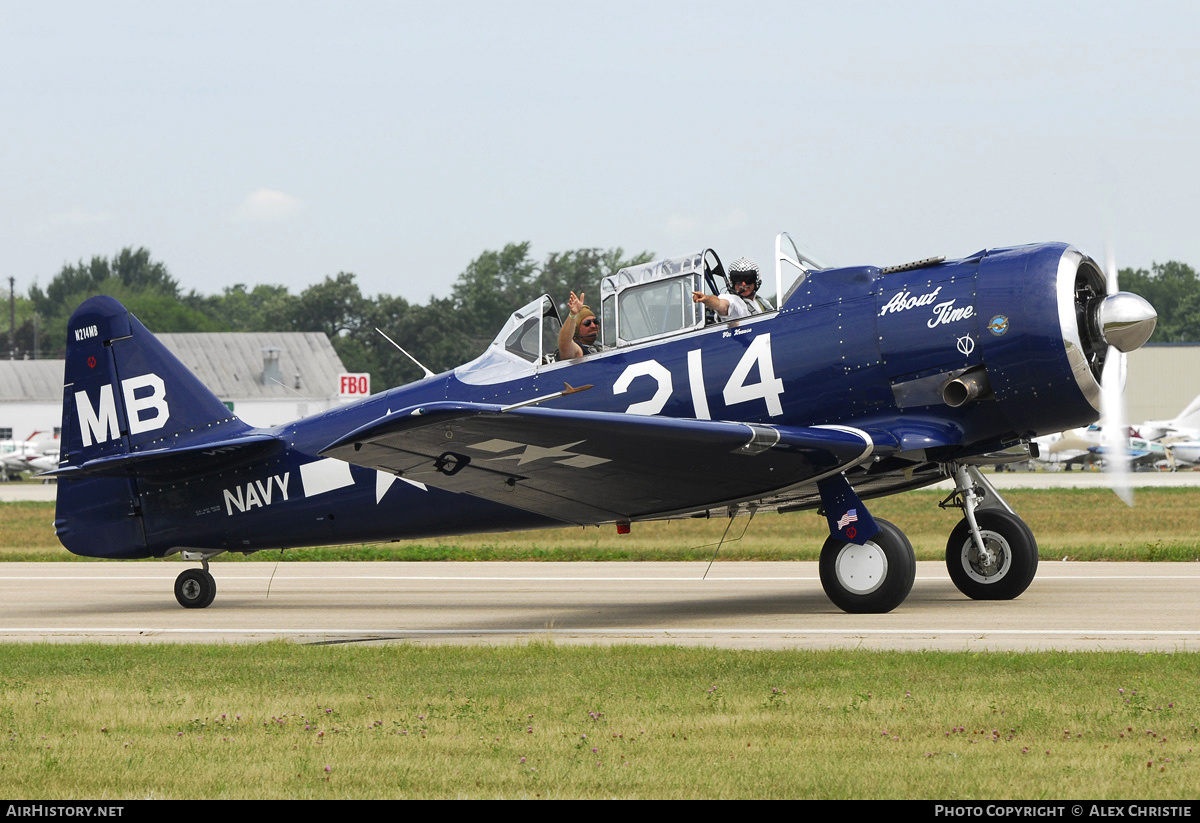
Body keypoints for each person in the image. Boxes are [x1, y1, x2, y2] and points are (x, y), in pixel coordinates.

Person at [691, 257, 772, 321]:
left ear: (756, 281)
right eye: (737, 279)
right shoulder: (735, 302)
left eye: (748, 278)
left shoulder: (763, 302)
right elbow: (720, 304)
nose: (743, 284)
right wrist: (706, 299)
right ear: (732, 282)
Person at [556, 290, 605, 360]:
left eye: (595, 321)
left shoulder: (600, 348)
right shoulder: (578, 350)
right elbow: (564, 344)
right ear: (576, 329)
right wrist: (573, 314)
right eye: (587, 323)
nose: (593, 326)